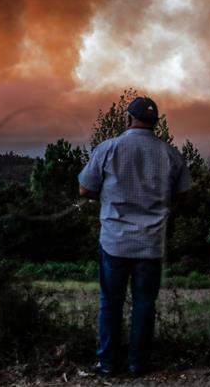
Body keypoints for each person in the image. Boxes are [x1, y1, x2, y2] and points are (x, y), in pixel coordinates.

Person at [78, 96, 190, 377]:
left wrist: (106, 197)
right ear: (156, 122)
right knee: (144, 305)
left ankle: (106, 364)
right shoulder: (170, 154)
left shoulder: (109, 148)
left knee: (110, 303)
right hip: (150, 243)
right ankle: (137, 364)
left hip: (114, 240)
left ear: (128, 119)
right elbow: (183, 192)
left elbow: (84, 188)